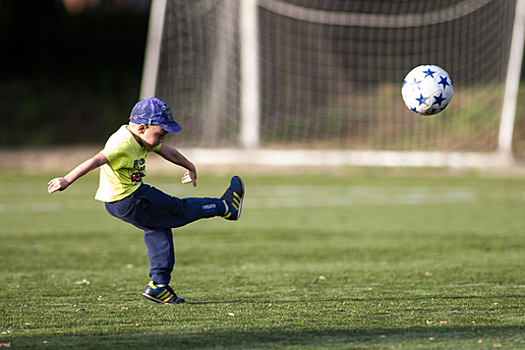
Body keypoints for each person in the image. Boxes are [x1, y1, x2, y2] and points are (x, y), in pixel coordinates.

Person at [48, 97, 245, 304]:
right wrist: (66, 179)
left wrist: (189, 166)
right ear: (142, 127)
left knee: (158, 229)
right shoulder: (122, 143)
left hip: (120, 202)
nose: (161, 140)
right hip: (131, 198)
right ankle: (226, 207)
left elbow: (168, 151)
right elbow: (96, 160)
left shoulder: (141, 136)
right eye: (160, 135)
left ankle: (158, 287)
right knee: (180, 209)